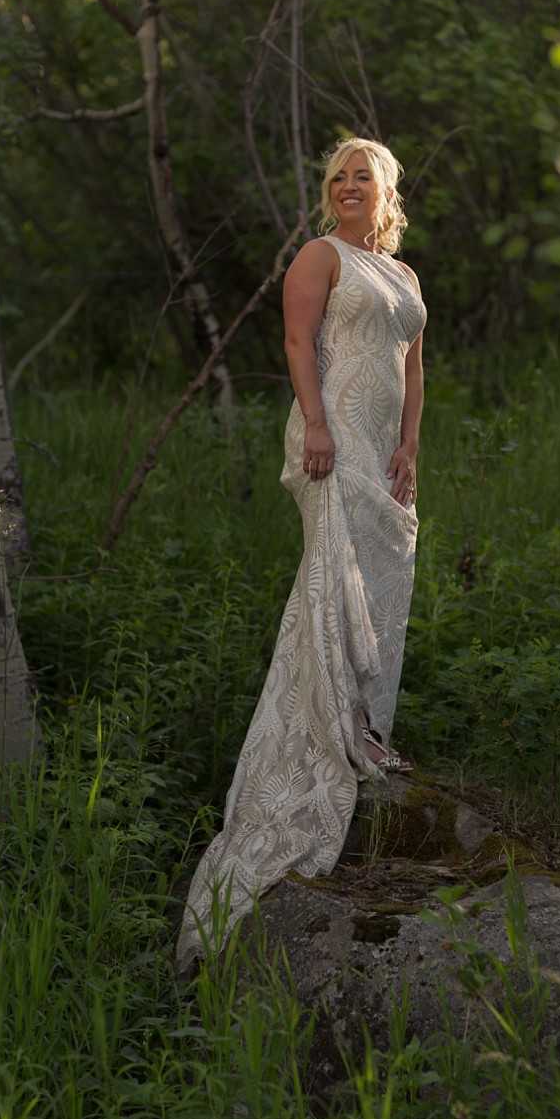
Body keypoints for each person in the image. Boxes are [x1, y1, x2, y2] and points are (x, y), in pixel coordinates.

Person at [175, 137, 427, 971]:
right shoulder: (318, 256)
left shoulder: (404, 275)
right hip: (333, 437)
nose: (349, 186)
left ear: (386, 192)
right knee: (331, 578)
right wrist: (317, 423)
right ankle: (335, 735)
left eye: (364, 176)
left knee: (379, 581)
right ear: (328, 194)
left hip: (386, 448)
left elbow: (412, 364)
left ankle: (362, 718)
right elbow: (296, 343)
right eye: (337, 178)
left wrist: (412, 447)